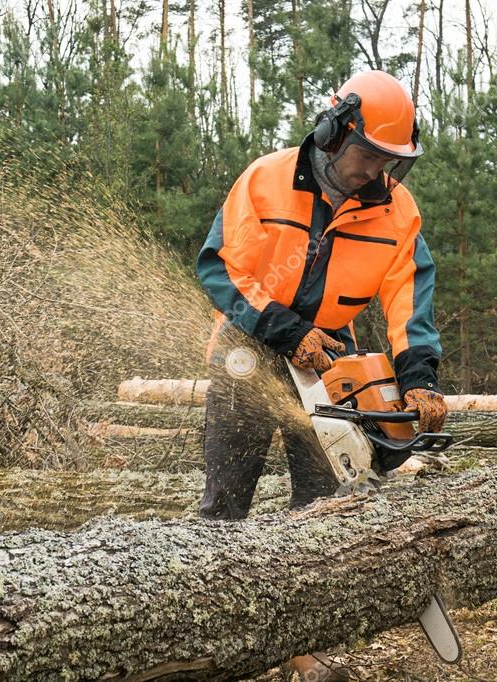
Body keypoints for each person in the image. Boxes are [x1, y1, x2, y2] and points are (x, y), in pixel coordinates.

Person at [194, 71, 446, 681]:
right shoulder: (266, 180)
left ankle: (298, 646)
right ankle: (207, 632)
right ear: (333, 134)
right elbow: (221, 269)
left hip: (331, 356)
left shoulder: (395, 208)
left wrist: (419, 375)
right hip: (252, 348)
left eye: (388, 162)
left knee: (322, 502)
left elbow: (409, 297)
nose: (373, 173)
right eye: (366, 156)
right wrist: (285, 331)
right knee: (227, 499)